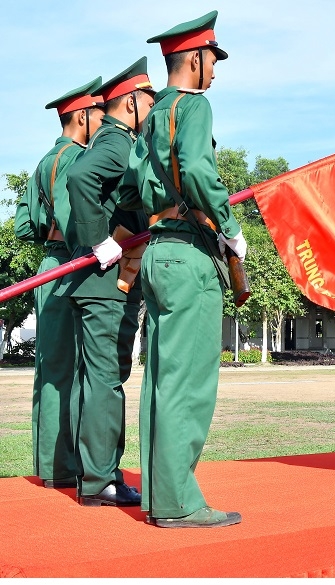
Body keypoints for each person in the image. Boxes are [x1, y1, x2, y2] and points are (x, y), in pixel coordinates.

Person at [118, 11, 243, 528]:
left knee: (162, 383)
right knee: (189, 384)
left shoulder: (150, 118)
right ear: (193, 59)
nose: (214, 71)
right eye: (212, 60)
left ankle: (160, 496)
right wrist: (231, 225)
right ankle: (177, 503)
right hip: (189, 253)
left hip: (157, 252)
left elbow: (129, 188)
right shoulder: (194, 106)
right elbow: (195, 168)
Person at [55, 60, 155, 507]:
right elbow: (79, 177)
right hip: (105, 280)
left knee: (98, 378)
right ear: (131, 102)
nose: (154, 107)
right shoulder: (116, 142)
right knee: (106, 380)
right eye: (149, 100)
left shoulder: (118, 141)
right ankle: (100, 479)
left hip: (104, 279)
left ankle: (94, 471)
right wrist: (99, 240)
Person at [14, 78, 105, 489]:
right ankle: (68, 468)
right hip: (72, 266)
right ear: (82, 116)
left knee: (51, 369)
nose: (103, 118)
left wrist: (48, 231)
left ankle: (52, 469)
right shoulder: (74, 159)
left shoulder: (42, 162)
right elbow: (75, 223)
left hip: (47, 267)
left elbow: (20, 227)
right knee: (76, 369)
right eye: (99, 112)